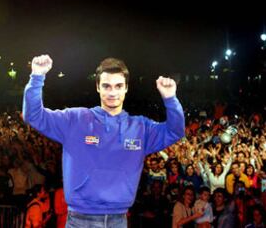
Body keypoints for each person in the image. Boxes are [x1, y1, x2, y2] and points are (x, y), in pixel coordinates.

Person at [23, 55, 185, 227]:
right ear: (98, 87)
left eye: (118, 86)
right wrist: (37, 77)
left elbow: (175, 131)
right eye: (106, 86)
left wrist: (170, 99)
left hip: (119, 219)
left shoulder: (141, 128)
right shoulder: (75, 119)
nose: (112, 92)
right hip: (80, 220)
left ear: (126, 88)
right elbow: (34, 116)